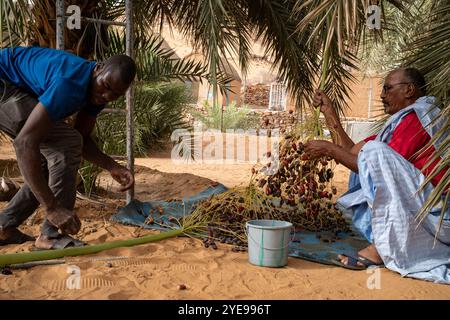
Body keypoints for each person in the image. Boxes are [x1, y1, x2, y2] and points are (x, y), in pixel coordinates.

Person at [304, 68, 450, 284]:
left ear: (409, 90)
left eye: (387, 88)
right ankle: (385, 242)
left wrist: (328, 149)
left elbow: (372, 162)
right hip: (422, 206)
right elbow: (353, 153)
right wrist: (329, 112)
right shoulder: (398, 123)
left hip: (441, 213)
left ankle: (379, 250)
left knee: (373, 152)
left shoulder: (417, 118)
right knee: (369, 153)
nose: (382, 95)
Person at [0, 46, 136, 250]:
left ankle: (4, 227)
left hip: (12, 86)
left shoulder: (95, 93)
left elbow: (81, 138)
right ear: (98, 68)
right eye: (105, 86)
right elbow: (25, 143)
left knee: (52, 158)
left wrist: (112, 166)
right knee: (63, 145)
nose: (106, 96)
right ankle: (51, 236)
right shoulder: (69, 83)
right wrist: (52, 208)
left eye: (115, 95)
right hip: (3, 83)